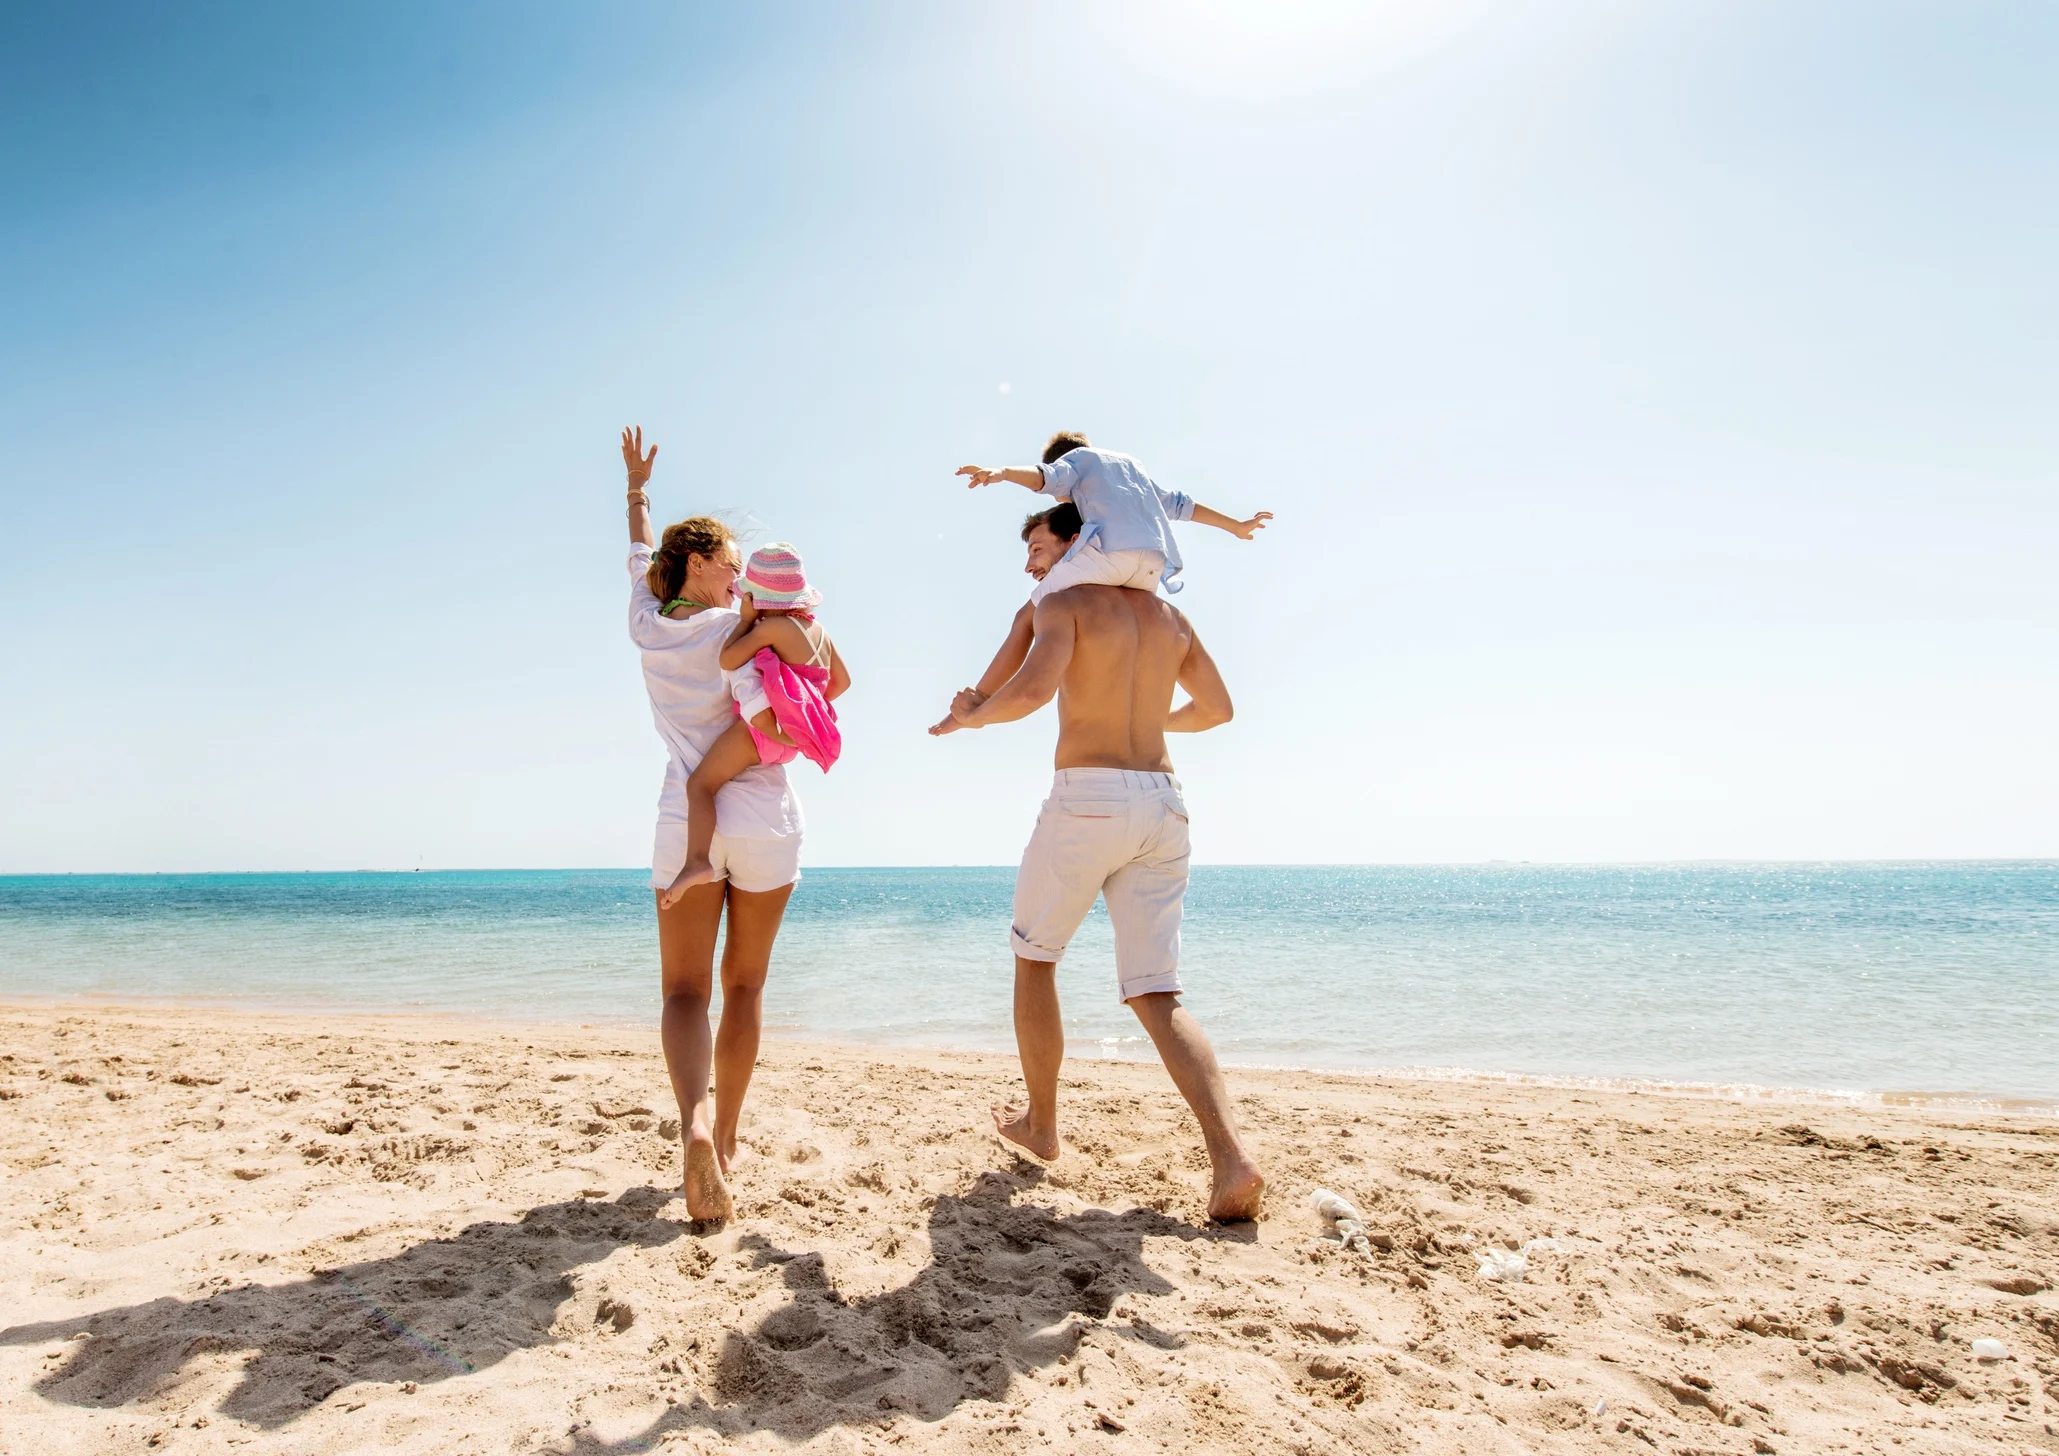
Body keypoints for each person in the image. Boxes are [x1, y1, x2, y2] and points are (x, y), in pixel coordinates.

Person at [935, 502, 1266, 1222]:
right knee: (1156, 991)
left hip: (1087, 798)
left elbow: (1028, 692)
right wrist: (1146, 720)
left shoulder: (1065, 601)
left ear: (1081, 539)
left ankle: (1042, 1124)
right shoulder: (1170, 619)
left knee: (1034, 956)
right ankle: (1230, 1159)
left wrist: (970, 715)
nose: (1030, 564)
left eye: (1038, 545)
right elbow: (1216, 709)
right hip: (1162, 800)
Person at [619, 426, 804, 1222]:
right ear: (697, 563)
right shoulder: (740, 631)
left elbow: (636, 557)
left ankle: (694, 1125)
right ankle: (725, 1142)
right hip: (762, 811)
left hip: (682, 814)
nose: (740, 577)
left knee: (684, 992)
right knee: (744, 986)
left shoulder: (647, 622)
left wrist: (635, 491)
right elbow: (817, 681)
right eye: (731, 563)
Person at [663, 543, 848, 906]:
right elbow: (840, 683)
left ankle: (697, 861)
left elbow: (729, 660)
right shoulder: (820, 633)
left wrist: (747, 622)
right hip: (790, 739)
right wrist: (800, 711)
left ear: (759, 597)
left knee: (701, 783)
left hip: (761, 731)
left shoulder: (773, 628)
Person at [956, 430, 1271, 603]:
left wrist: (1001, 473)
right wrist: (1235, 526)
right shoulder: (1131, 467)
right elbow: (1179, 505)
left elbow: (1045, 476)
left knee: (1036, 606)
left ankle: (986, 694)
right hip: (1154, 565)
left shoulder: (1075, 462)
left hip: (1113, 554)